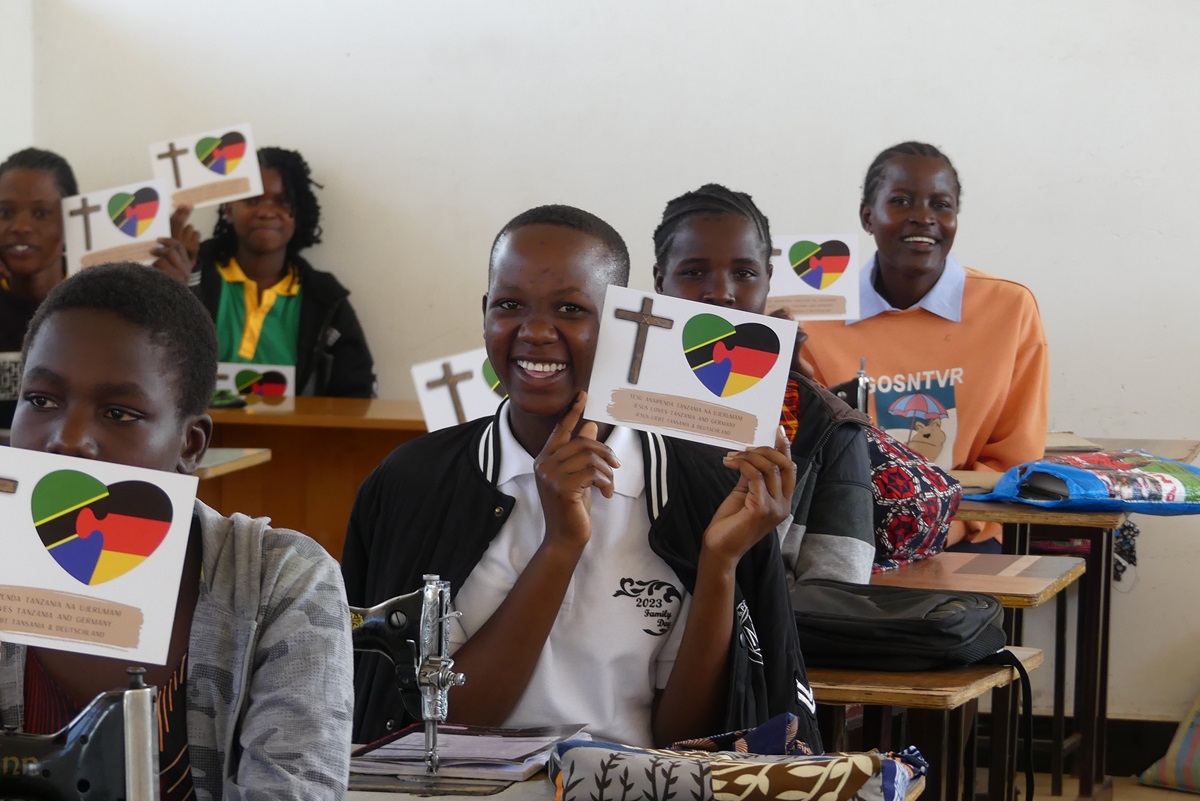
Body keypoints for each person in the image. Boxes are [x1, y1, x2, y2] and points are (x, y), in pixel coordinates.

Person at [343, 205, 818, 750]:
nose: (535, 331)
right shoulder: (413, 483)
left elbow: (689, 743)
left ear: (620, 327)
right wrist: (561, 545)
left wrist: (719, 564)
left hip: (632, 784)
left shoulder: (701, 490)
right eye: (509, 305)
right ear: (484, 313)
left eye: (570, 308)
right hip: (456, 783)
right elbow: (436, 726)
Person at [6, 262, 353, 800]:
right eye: (41, 400)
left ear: (191, 444)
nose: (67, 439)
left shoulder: (280, 582)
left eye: (118, 413)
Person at [802, 142, 1049, 550]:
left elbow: (1013, 458)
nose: (923, 216)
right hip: (849, 530)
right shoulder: (814, 318)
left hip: (965, 527)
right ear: (868, 217)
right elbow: (811, 455)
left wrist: (940, 524)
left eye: (941, 204)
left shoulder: (1009, 308)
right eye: (901, 201)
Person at [652, 184, 876, 584]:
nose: (720, 293)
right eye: (693, 272)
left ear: (768, 279)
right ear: (659, 280)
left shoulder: (826, 426)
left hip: (770, 623)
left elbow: (839, 592)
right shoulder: (608, 406)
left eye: (744, 273)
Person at [0, 148, 195, 426]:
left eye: (41, 213)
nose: (20, 226)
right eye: (5, 212)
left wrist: (165, 301)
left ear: (71, 222)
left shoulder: (99, 305)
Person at [191, 147, 375, 397]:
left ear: (299, 214)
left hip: (298, 425)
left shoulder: (326, 300)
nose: (266, 212)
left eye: (283, 202)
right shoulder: (192, 277)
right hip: (198, 424)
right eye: (252, 200)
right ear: (228, 210)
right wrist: (174, 282)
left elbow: (358, 394)